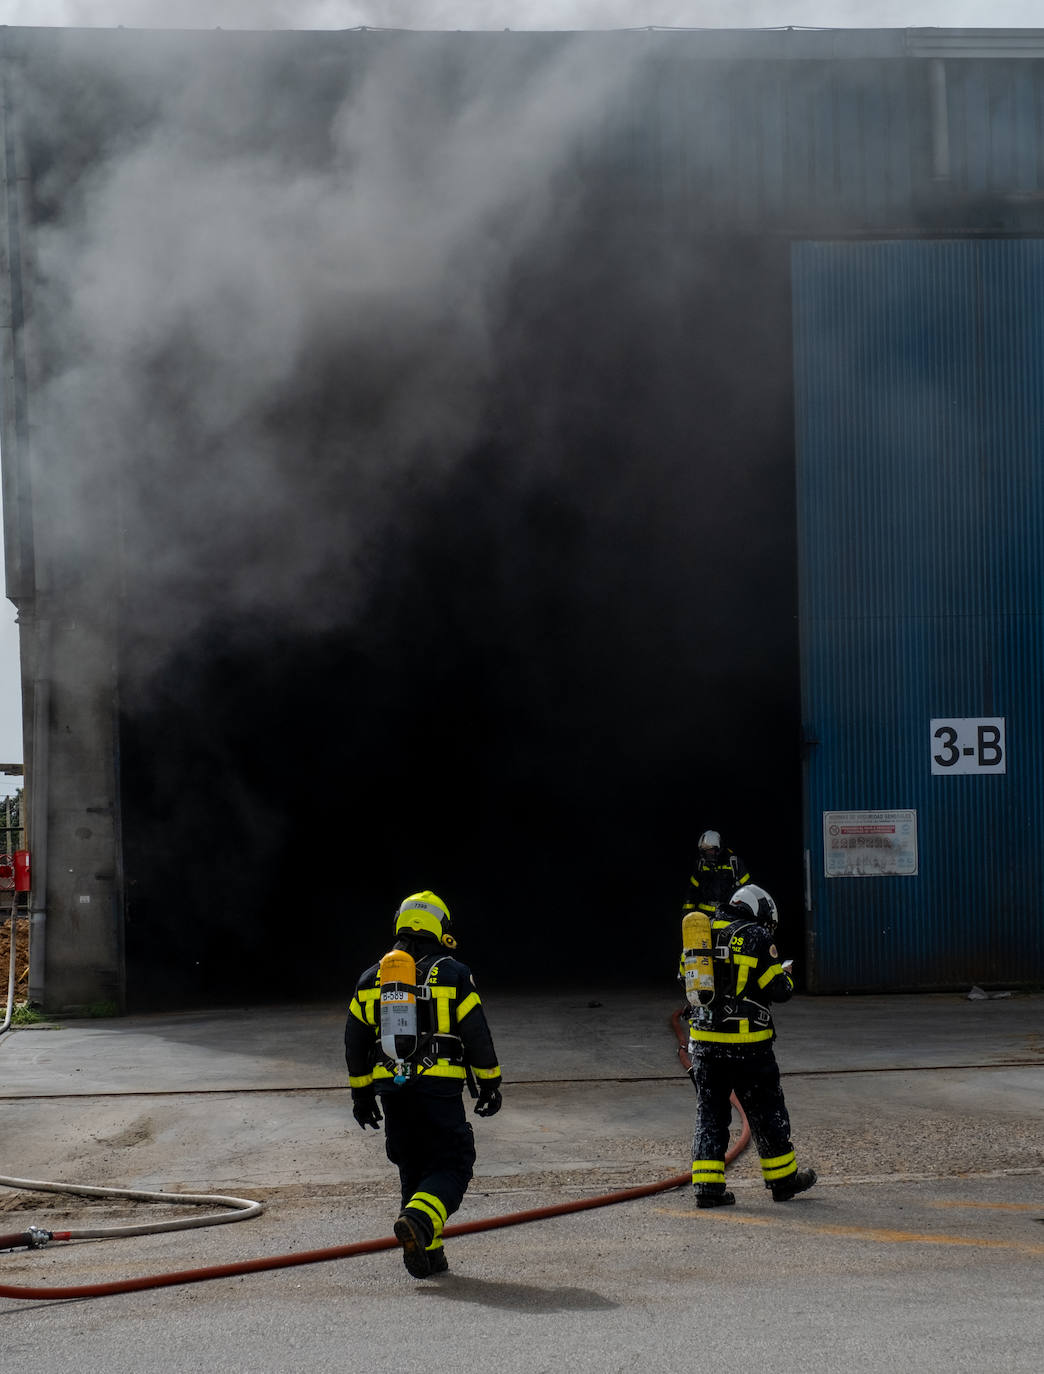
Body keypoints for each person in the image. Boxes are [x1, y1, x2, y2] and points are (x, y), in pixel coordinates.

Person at [345, 890, 502, 1278]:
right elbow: (476, 1032)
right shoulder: (453, 973)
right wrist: (489, 1083)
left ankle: (428, 1253)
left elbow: (355, 1039)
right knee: (453, 1163)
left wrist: (362, 1094)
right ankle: (418, 1220)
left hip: (392, 1091)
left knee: (412, 1168)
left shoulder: (372, 978)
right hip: (438, 1088)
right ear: (439, 927)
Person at [683, 883, 816, 1207]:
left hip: (704, 1044)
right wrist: (785, 974)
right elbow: (779, 991)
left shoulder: (700, 931)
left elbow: (688, 979)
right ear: (758, 911)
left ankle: (707, 1189)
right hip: (748, 1046)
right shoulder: (756, 936)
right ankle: (783, 1182)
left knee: (710, 1115)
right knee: (766, 1113)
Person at [682, 830, 750, 916]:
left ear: (719, 848)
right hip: (704, 916)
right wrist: (687, 913)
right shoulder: (701, 865)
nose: (707, 854)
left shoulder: (734, 863)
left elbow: (748, 889)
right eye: (704, 851)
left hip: (728, 914)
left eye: (710, 850)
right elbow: (692, 891)